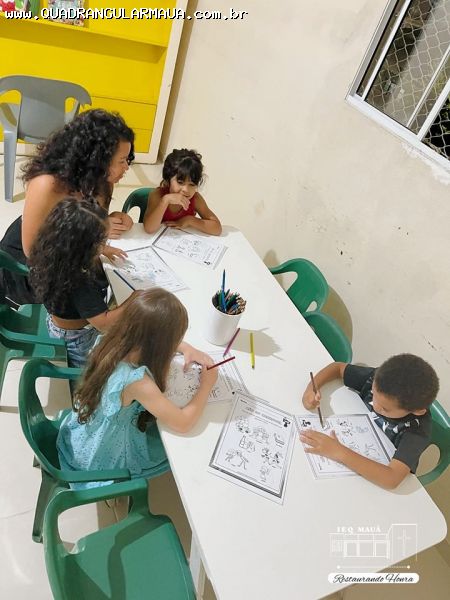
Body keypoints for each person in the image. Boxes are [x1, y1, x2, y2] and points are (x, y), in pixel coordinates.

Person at [57, 287, 217, 489]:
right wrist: (207, 385)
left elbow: (150, 335)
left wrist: (186, 348)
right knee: (174, 451)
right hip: (101, 454)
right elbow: (183, 423)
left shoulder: (110, 339)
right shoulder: (138, 382)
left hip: (85, 431)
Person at [0, 109, 134, 307]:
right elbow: (32, 252)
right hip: (33, 259)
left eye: (127, 160)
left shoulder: (102, 179)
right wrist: (92, 247)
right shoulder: (47, 183)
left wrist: (112, 219)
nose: (126, 167)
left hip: (71, 253)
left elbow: (91, 218)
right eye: (122, 161)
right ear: (97, 159)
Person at [28, 198, 139, 370]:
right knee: (91, 372)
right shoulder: (79, 280)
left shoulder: (58, 251)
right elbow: (103, 323)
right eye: (102, 241)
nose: (105, 243)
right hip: (79, 338)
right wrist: (134, 299)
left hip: (66, 321)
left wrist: (104, 250)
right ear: (85, 246)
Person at [300, 354, 439, 489]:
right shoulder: (381, 379)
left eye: (385, 409)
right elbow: (337, 368)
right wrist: (311, 389)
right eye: (373, 394)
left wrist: (338, 452)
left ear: (417, 411)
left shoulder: (417, 431)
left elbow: (391, 479)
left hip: (366, 482)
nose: (376, 406)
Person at [143, 148, 222, 235]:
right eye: (180, 182)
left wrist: (189, 220)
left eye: (192, 184)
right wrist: (165, 201)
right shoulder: (158, 195)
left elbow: (217, 229)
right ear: (168, 180)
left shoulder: (195, 199)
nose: (186, 190)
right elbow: (149, 229)